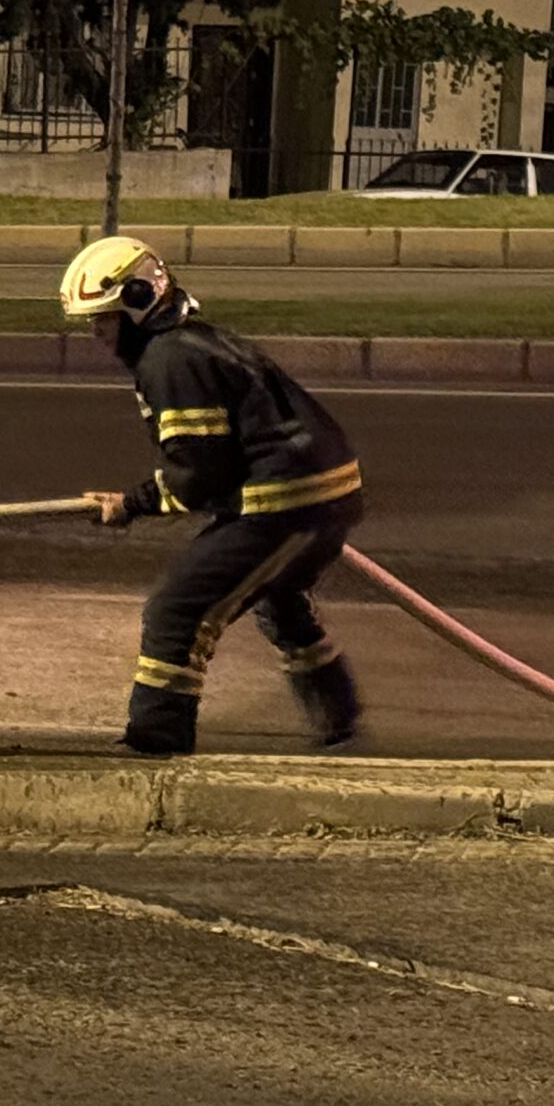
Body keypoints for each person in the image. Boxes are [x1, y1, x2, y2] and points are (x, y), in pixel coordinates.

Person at [60, 236, 364, 757]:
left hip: (285, 507)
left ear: (136, 304)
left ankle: (156, 742)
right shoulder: (190, 341)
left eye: (102, 320)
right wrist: (133, 501)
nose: (96, 335)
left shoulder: (169, 360)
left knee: (178, 611)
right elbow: (208, 466)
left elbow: (197, 476)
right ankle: (340, 720)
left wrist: (131, 505)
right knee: (279, 599)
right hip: (308, 497)